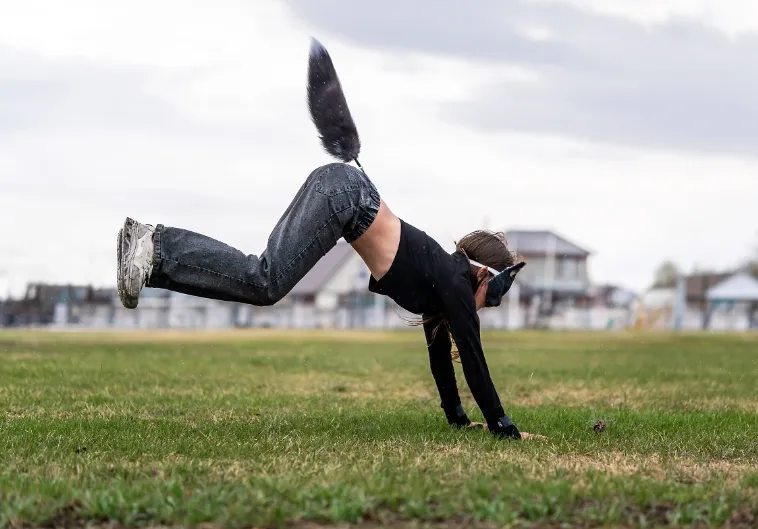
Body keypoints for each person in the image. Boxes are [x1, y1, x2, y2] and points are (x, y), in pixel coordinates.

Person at [116, 39, 536, 440]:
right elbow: (474, 359)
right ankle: (155, 244)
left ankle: (150, 260)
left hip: (341, 193)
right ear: (482, 274)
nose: (485, 308)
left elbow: (440, 357)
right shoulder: (455, 280)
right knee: (265, 282)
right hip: (344, 196)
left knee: (264, 282)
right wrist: (503, 426)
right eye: (491, 298)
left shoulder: (442, 285)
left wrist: (458, 420)